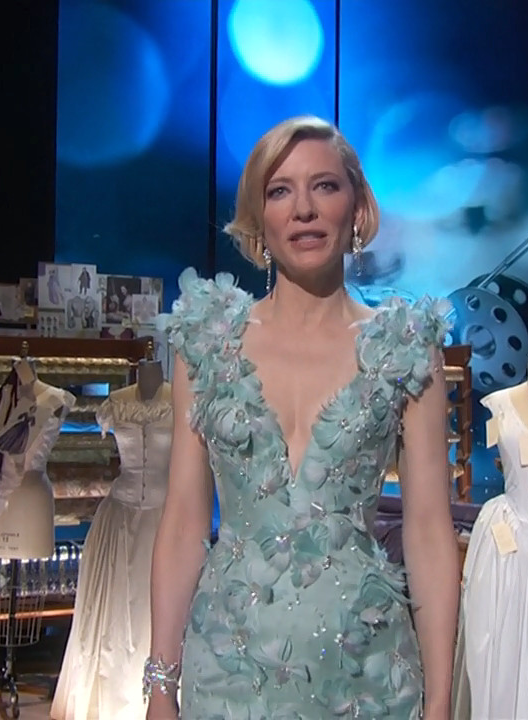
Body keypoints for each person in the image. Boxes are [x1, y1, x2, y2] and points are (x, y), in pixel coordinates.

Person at [143, 115, 460, 719]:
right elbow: (183, 521)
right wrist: (161, 686)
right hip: (227, 679)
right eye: (280, 190)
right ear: (259, 216)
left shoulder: (405, 347)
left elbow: (427, 532)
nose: (305, 210)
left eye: (325, 186)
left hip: (368, 677)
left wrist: (441, 701)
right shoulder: (207, 343)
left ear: (357, 208)